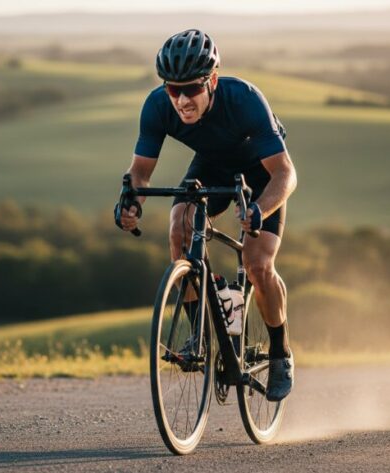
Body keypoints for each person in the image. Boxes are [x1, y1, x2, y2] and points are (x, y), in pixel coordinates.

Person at [116, 29, 298, 402]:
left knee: (257, 262)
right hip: (212, 166)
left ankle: (280, 352)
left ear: (212, 81)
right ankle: (202, 332)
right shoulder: (157, 106)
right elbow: (140, 171)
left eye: (192, 89)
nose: (181, 99)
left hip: (261, 172)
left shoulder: (244, 100)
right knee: (180, 228)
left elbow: (286, 173)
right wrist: (131, 202)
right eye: (173, 89)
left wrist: (258, 209)